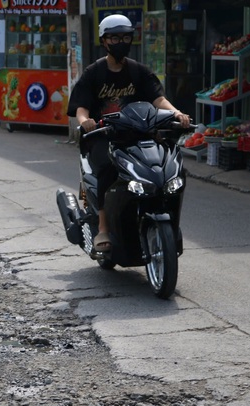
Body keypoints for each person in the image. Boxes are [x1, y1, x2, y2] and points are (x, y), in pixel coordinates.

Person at [67, 14, 190, 252]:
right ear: (104, 41)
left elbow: (158, 98)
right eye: (114, 37)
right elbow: (80, 107)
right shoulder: (95, 72)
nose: (120, 41)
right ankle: (103, 228)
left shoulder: (138, 71)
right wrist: (86, 121)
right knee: (106, 168)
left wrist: (176, 114)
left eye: (125, 36)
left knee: (163, 163)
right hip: (105, 136)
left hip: (138, 135)